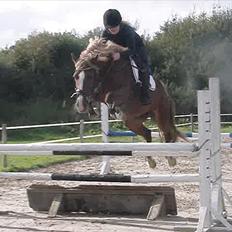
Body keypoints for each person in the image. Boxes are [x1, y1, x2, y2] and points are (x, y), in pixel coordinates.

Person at [101, 9, 152, 105]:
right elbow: (102, 48)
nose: (113, 30)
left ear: (119, 23)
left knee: (142, 67)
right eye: (110, 28)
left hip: (136, 49)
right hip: (118, 51)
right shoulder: (105, 33)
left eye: (115, 27)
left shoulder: (128, 31)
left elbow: (131, 50)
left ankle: (145, 94)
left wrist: (120, 55)